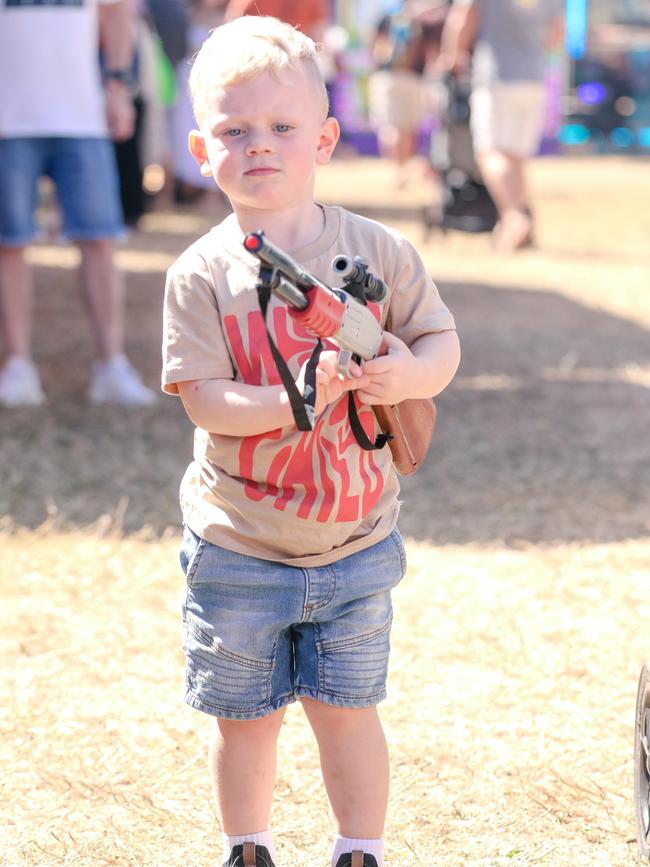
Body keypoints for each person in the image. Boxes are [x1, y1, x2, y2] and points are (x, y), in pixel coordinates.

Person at [162, 15, 459, 867]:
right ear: (199, 148)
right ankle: (247, 846)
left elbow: (440, 344)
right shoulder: (201, 275)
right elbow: (207, 404)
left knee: (348, 710)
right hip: (240, 543)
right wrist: (296, 401)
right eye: (234, 130)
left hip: (358, 541)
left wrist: (405, 378)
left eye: (283, 127)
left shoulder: (379, 251)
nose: (260, 146)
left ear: (325, 138)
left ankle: (358, 849)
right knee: (244, 719)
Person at [0, 0, 156, 407]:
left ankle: (111, 365)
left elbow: (118, 10)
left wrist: (117, 86)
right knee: (9, 243)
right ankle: (18, 365)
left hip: (82, 117)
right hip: (8, 120)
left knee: (100, 239)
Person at [439, 0, 564, 250]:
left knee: (490, 152)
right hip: (533, 81)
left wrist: (453, 56)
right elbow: (555, 36)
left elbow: (462, 17)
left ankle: (513, 217)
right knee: (516, 158)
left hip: (496, 79)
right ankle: (516, 219)